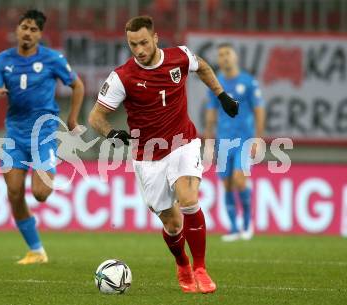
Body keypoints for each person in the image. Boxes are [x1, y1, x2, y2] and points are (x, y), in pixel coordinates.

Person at [88, 16, 238, 293]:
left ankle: (201, 268)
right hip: (148, 155)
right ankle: (182, 263)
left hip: (184, 142)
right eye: (133, 45)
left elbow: (202, 67)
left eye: (144, 42)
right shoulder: (123, 77)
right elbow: (95, 116)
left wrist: (221, 95)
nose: (140, 50)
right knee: (171, 223)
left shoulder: (179, 57)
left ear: (156, 38)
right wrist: (111, 133)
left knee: (189, 199)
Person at [0, 10, 84, 264]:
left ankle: (49, 165)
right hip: (15, 135)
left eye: (33, 29)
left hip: (44, 132)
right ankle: (36, 250)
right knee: (14, 192)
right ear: (17, 30)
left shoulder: (52, 59)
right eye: (24, 27)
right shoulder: (2, 61)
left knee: (40, 194)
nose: (27, 33)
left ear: (40, 34)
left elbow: (77, 85)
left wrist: (72, 118)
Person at [204, 43, 265, 242]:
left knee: (239, 179)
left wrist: (258, 138)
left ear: (235, 56)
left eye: (227, 53)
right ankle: (233, 228)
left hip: (244, 140)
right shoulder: (216, 83)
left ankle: (247, 223)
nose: (224, 58)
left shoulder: (248, 82)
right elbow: (212, 111)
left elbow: (259, 110)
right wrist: (209, 137)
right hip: (223, 140)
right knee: (227, 184)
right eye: (221, 55)